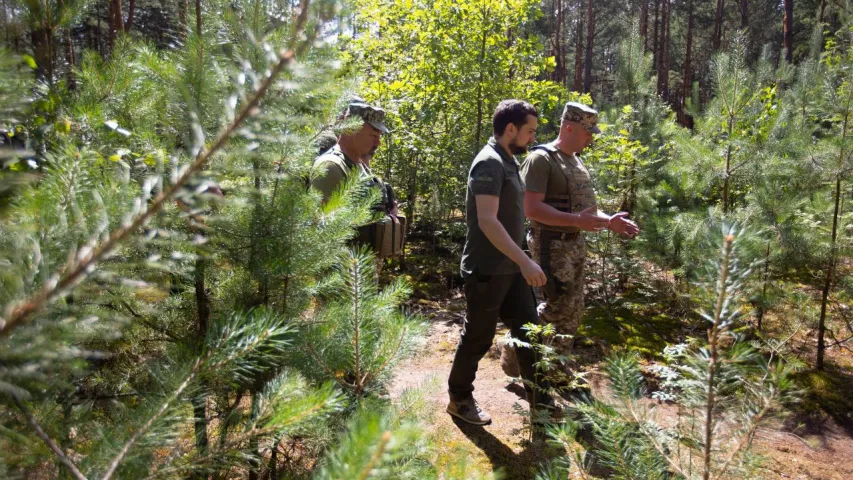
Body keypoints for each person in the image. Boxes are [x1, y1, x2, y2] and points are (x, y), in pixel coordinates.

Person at [500, 101, 639, 378]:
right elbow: (532, 209)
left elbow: (583, 208)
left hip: (574, 244)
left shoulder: (576, 161)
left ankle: (557, 367)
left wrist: (608, 220)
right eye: (587, 132)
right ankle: (514, 347)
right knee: (557, 305)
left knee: (574, 309)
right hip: (551, 244)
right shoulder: (541, 159)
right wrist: (577, 221)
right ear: (568, 127)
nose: (591, 137)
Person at [446, 100, 553, 426]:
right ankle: (459, 398)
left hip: (511, 269)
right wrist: (526, 261)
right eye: (530, 131)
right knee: (478, 337)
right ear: (511, 129)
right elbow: (489, 222)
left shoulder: (508, 162)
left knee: (528, 335)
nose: (533, 138)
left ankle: (541, 404)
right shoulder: (489, 163)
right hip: (488, 270)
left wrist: (521, 262)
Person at [310, 97, 403, 265]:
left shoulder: (360, 166)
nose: (378, 142)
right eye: (373, 135)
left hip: (363, 271)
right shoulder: (331, 167)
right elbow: (323, 232)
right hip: (342, 275)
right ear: (352, 129)